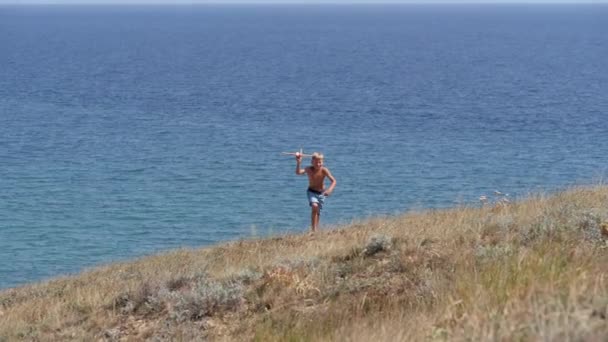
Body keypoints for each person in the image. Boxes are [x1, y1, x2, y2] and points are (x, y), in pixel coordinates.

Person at [295, 152, 337, 232]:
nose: (318, 164)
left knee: (317, 211)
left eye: (320, 162)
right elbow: (298, 172)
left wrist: (329, 190)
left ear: (322, 162)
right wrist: (298, 162)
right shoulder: (308, 169)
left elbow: (334, 181)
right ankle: (313, 230)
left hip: (321, 193)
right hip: (311, 192)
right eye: (316, 162)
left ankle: (316, 230)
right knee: (314, 206)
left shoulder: (324, 170)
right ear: (312, 162)